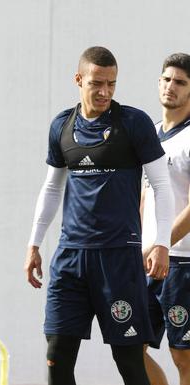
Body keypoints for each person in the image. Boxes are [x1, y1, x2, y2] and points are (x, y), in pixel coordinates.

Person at [24, 46, 175, 385]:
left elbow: (162, 186)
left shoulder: (133, 123)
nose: (105, 91)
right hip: (70, 258)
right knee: (57, 356)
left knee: (129, 360)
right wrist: (34, 244)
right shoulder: (62, 125)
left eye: (112, 84)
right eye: (96, 83)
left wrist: (162, 243)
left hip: (118, 258)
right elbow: (51, 188)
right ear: (79, 80)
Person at [143, 53, 190, 385]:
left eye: (180, 82)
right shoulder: (150, 134)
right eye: (166, 79)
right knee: (129, 345)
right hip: (146, 259)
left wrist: (163, 243)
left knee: (183, 355)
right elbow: (142, 196)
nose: (171, 87)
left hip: (182, 261)